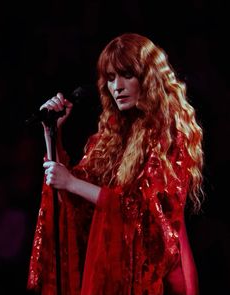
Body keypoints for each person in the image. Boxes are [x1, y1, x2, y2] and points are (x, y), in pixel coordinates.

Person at [27, 33, 204, 295]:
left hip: (160, 275)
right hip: (114, 269)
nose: (117, 86)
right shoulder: (115, 132)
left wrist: (72, 183)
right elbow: (79, 197)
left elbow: (145, 211)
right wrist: (52, 134)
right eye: (110, 78)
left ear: (148, 78)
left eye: (126, 75)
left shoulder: (170, 130)